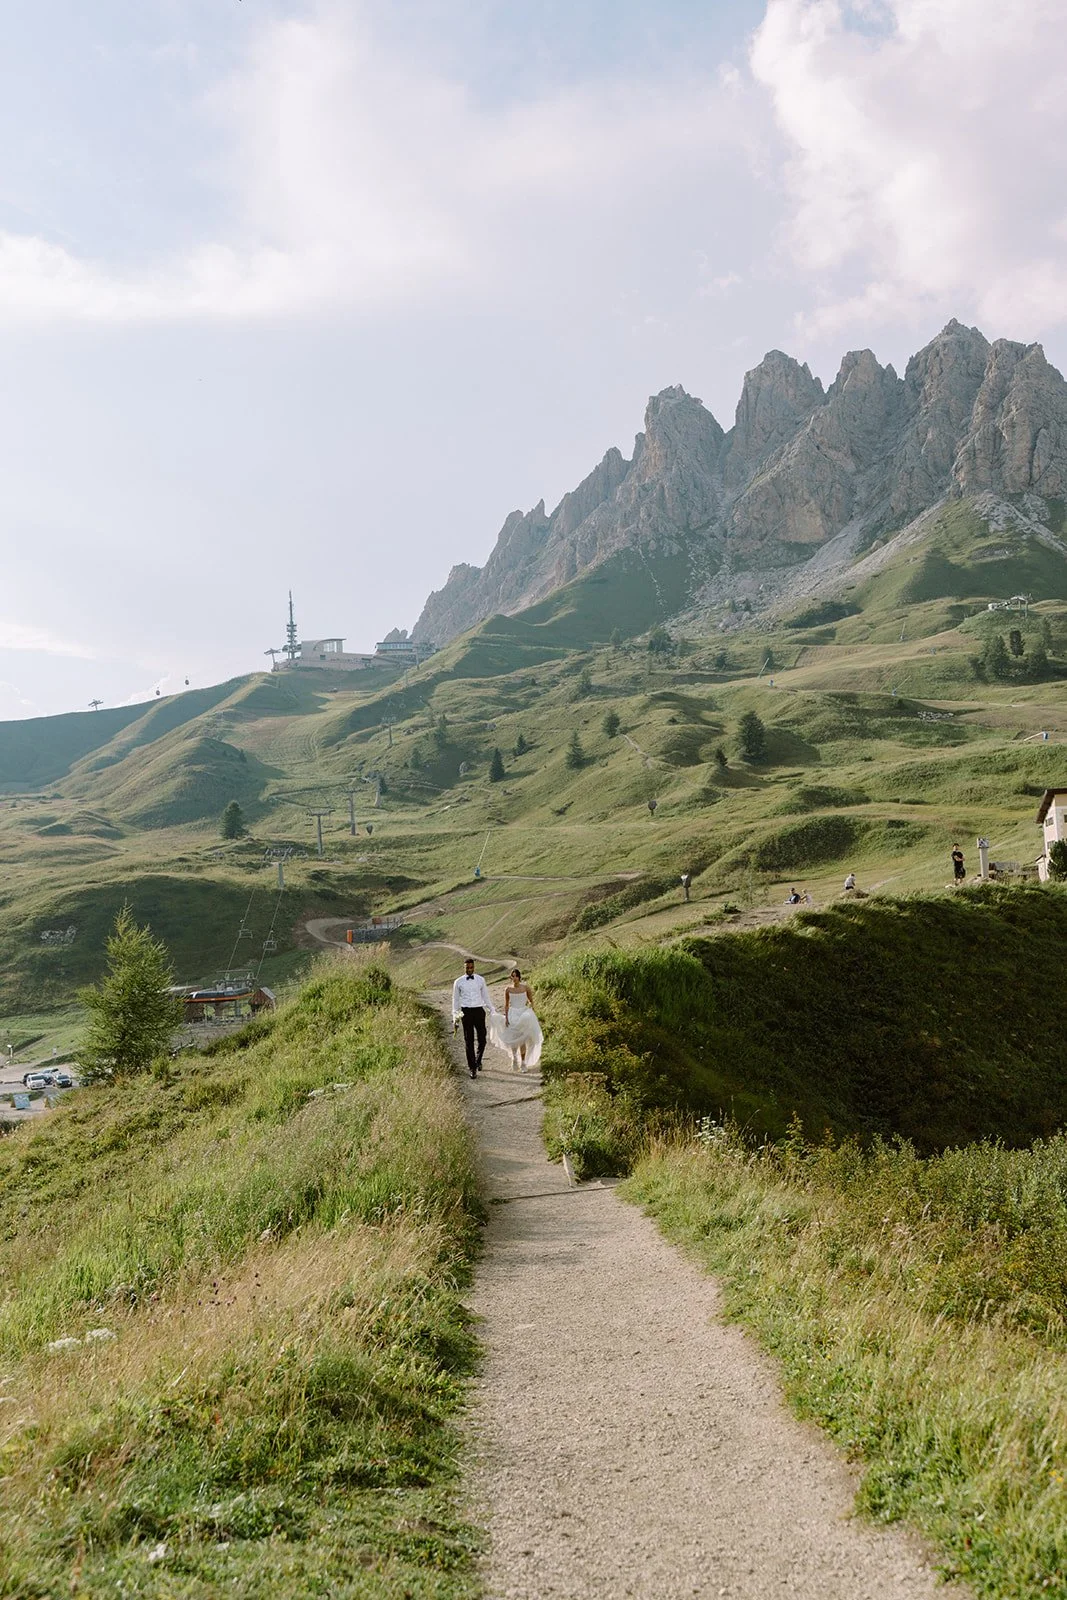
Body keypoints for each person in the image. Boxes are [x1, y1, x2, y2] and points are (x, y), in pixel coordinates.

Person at [489, 968, 543, 1073]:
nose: (514, 978)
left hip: (523, 1012)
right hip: (513, 1013)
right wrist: (507, 1017)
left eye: (516, 976)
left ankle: (523, 1063)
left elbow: (531, 1001)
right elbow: (506, 1004)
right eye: (512, 976)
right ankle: (514, 1058)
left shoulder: (525, 988)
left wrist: (531, 1011)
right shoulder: (508, 990)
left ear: (519, 977)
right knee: (514, 1037)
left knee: (522, 1039)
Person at [452, 957, 493, 1078]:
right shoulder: (458, 982)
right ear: (464, 967)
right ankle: (472, 1068)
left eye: (471, 967)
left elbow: (486, 996)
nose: (470, 969)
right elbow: (455, 1000)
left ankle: (478, 1060)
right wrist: (455, 1016)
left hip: (479, 1010)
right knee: (468, 1041)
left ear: (474, 967)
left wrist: (492, 1009)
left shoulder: (481, 980)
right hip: (466, 1012)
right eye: (467, 967)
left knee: (482, 1039)